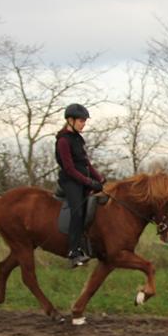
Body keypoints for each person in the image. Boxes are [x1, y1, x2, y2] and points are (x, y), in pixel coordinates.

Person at [55, 103, 105, 267]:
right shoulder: (63, 141)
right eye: (81, 121)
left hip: (82, 179)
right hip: (70, 181)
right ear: (70, 120)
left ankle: (87, 245)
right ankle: (73, 252)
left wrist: (99, 179)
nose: (84, 123)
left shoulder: (78, 139)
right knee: (77, 210)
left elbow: (86, 164)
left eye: (84, 121)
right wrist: (89, 182)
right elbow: (69, 168)